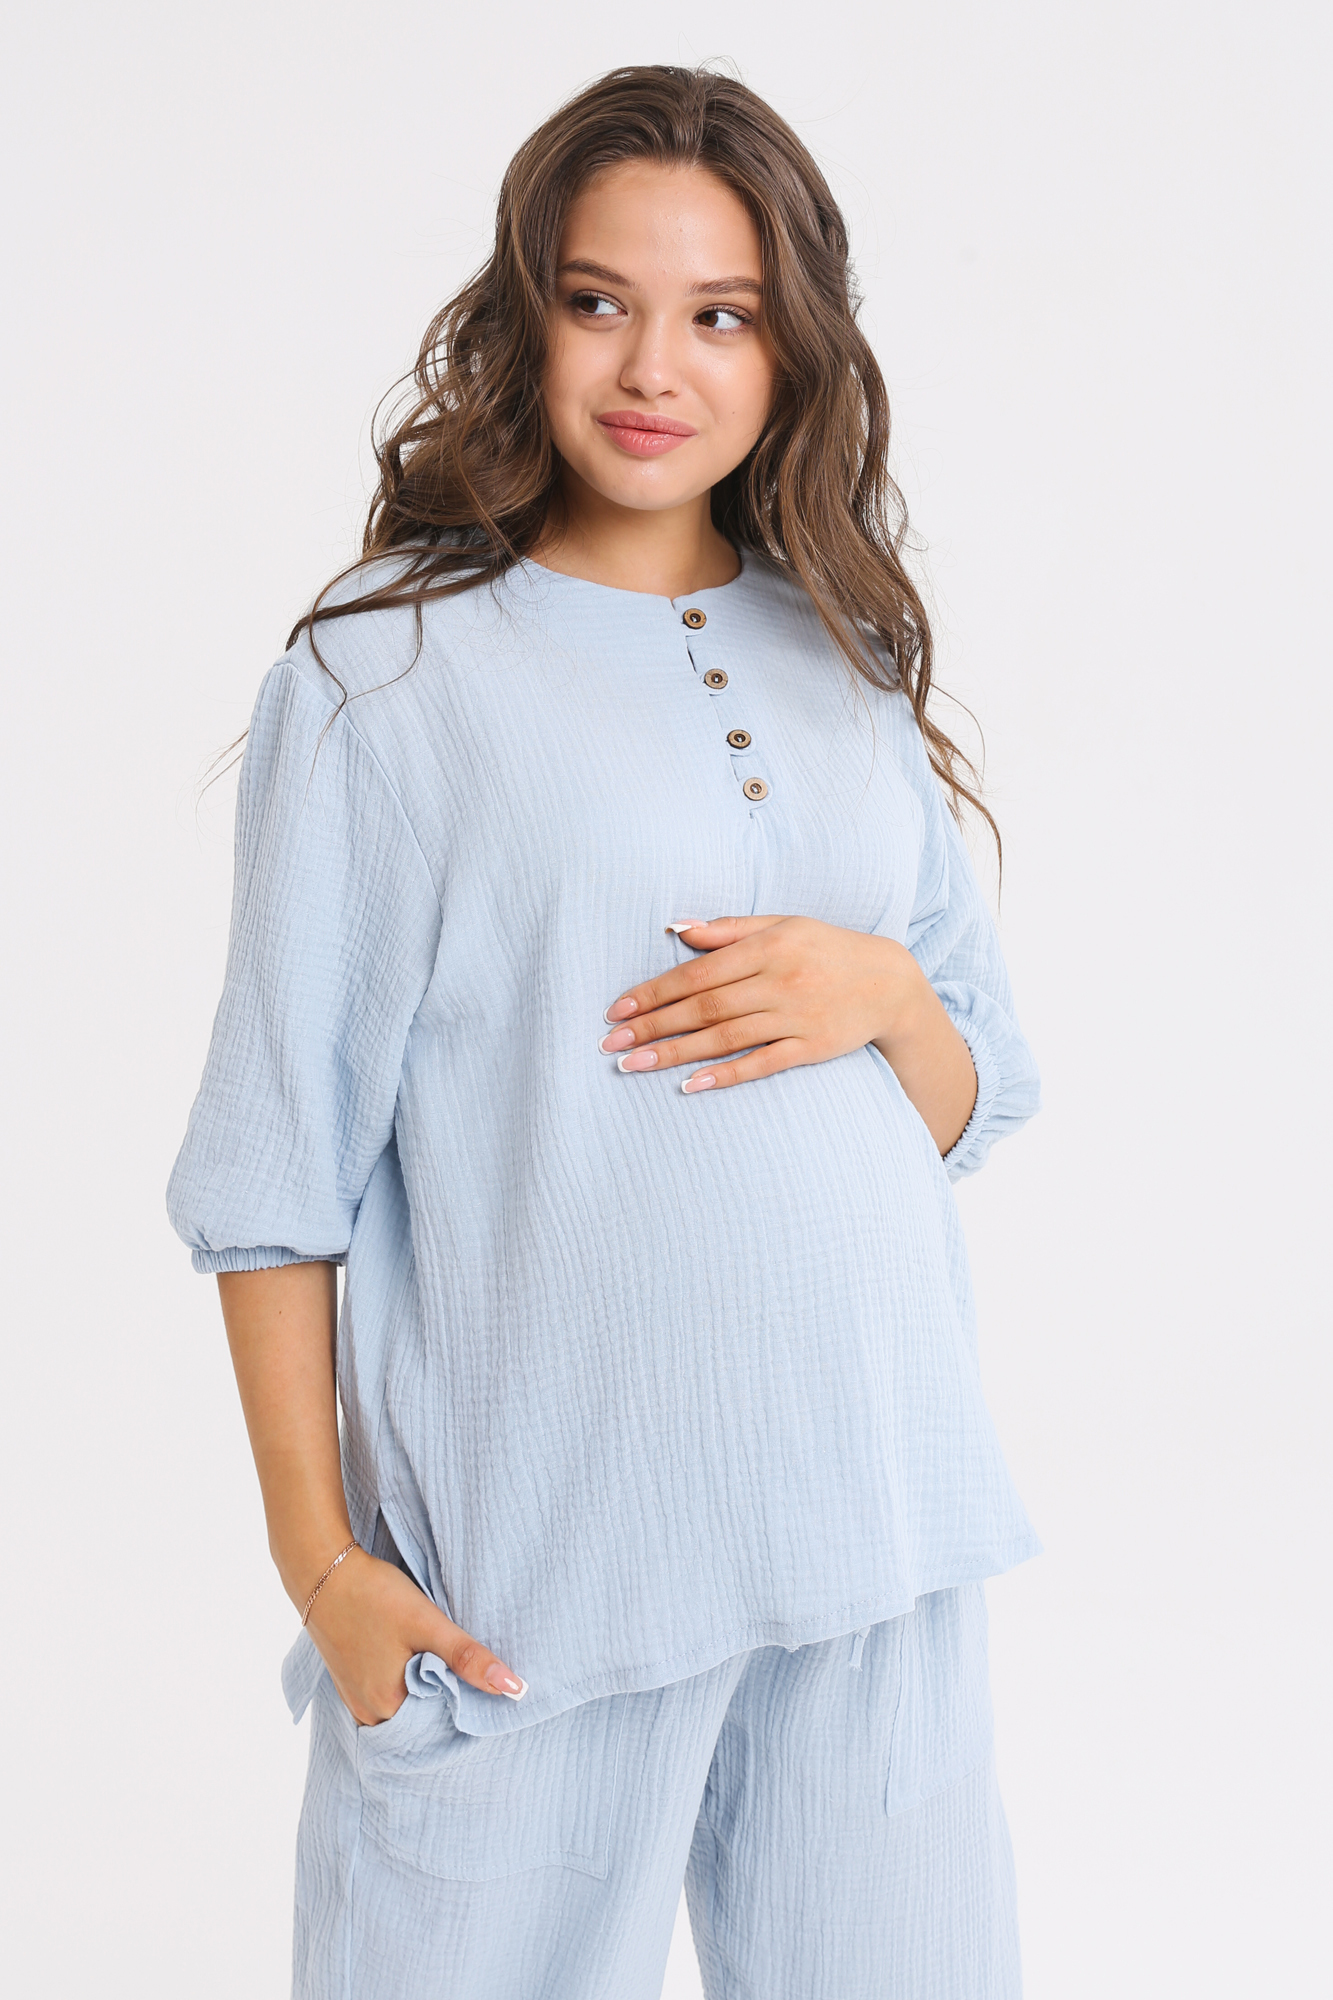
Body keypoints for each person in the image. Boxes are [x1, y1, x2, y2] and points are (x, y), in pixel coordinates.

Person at [168, 62, 1041, 2000]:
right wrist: (324, 1567)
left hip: (876, 1523)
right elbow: (271, 1170)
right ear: (525, 317)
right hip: (534, 1574)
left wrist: (885, 994)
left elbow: (970, 1100)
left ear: (790, 349)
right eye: (598, 300)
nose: (655, 365)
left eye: (719, 314)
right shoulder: (386, 674)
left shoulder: (843, 652)